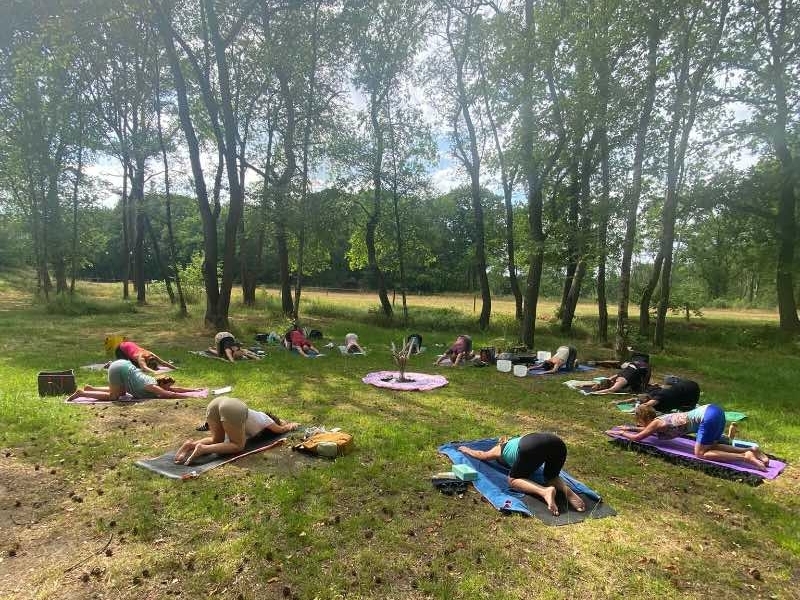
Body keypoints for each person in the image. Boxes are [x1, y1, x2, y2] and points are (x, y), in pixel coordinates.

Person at [458, 433, 586, 516]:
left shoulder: (500, 448)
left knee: (512, 480)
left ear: (501, 442)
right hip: (557, 443)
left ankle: (545, 491)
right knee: (551, 476)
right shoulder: (516, 441)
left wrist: (468, 450)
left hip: (532, 446)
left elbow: (483, 455)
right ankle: (565, 489)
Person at [618, 404, 770, 470]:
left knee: (700, 453)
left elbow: (638, 437)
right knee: (712, 447)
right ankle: (752, 449)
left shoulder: (656, 424)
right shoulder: (661, 418)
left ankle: (745, 456)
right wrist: (629, 427)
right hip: (715, 411)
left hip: (706, 417)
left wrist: (622, 433)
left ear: (642, 419)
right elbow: (645, 429)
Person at [174, 396, 299, 465]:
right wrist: (291, 425)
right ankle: (203, 449)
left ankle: (190, 445)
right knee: (238, 446)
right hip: (233, 407)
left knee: (216, 440)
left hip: (216, 402)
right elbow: (281, 429)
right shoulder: (266, 420)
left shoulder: (255, 420)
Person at [66, 359, 202, 401]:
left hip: (125, 367)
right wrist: (191, 397)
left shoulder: (158, 382)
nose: (170, 388)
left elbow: (175, 389)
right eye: (169, 386)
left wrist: (194, 390)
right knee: (114, 397)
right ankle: (82, 393)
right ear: (163, 385)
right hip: (119, 369)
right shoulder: (153, 386)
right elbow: (172, 394)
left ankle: (91, 389)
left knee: (122, 391)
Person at [612, 378, 700, 412]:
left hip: (691, 393)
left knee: (685, 412)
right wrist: (620, 402)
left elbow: (646, 405)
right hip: (689, 385)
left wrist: (633, 410)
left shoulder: (660, 395)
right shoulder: (653, 393)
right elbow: (636, 399)